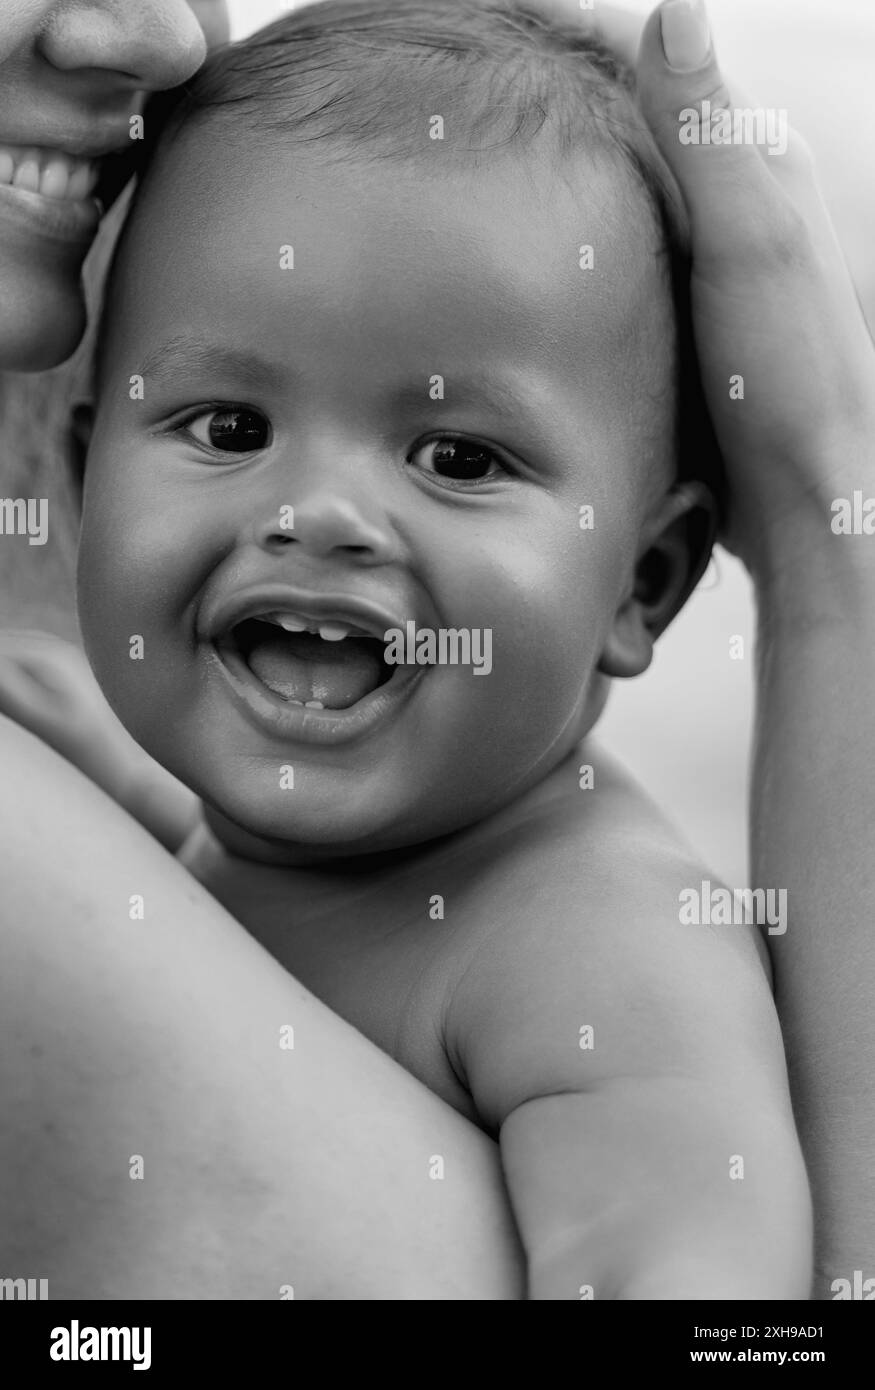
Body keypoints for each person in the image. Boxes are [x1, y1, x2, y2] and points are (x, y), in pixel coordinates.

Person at [1, 0, 873, 1299]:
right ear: (81, 485)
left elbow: (705, 1276)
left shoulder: (593, 948)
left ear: (645, 582)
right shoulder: (244, 838)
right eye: (229, 427)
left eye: (459, 458)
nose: (319, 513)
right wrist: (120, 799)